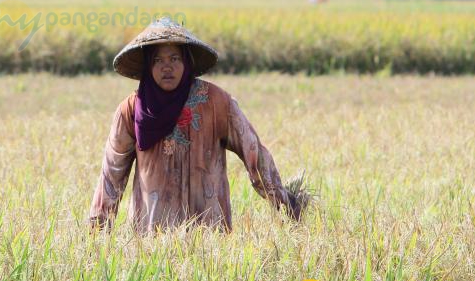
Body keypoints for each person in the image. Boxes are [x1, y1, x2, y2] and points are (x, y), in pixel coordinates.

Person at [89, 17, 310, 234]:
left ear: (187, 62)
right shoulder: (131, 110)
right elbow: (111, 173)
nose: (167, 67)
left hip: (209, 238)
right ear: (148, 65)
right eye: (158, 60)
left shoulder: (216, 102)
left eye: (175, 58)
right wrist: (97, 231)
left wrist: (285, 204)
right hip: (150, 240)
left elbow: (254, 153)